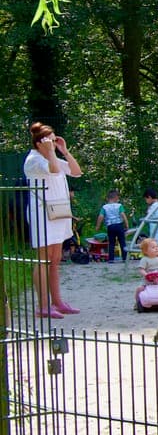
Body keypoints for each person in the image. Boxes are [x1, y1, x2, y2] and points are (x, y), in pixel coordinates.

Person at [23, 122, 83, 318]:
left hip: (57, 213)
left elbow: (75, 171)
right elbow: (54, 170)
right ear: (39, 143)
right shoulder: (34, 160)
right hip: (42, 214)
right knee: (43, 260)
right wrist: (50, 153)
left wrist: (64, 151)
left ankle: (57, 301)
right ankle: (43, 305)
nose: (52, 142)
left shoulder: (52, 157)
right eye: (49, 139)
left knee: (55, 259)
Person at [96, 189, 130, 262]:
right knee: (122, 241)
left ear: (108, 198)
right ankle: (124, 258)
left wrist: (97, 226)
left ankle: (111, 259)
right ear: (116, 198)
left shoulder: (104, 207)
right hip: (119, 225)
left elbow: (101, 216)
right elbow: (123, 215)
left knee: (111, 242)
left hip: (110, 226)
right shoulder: (119, 206)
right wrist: (127, 225)